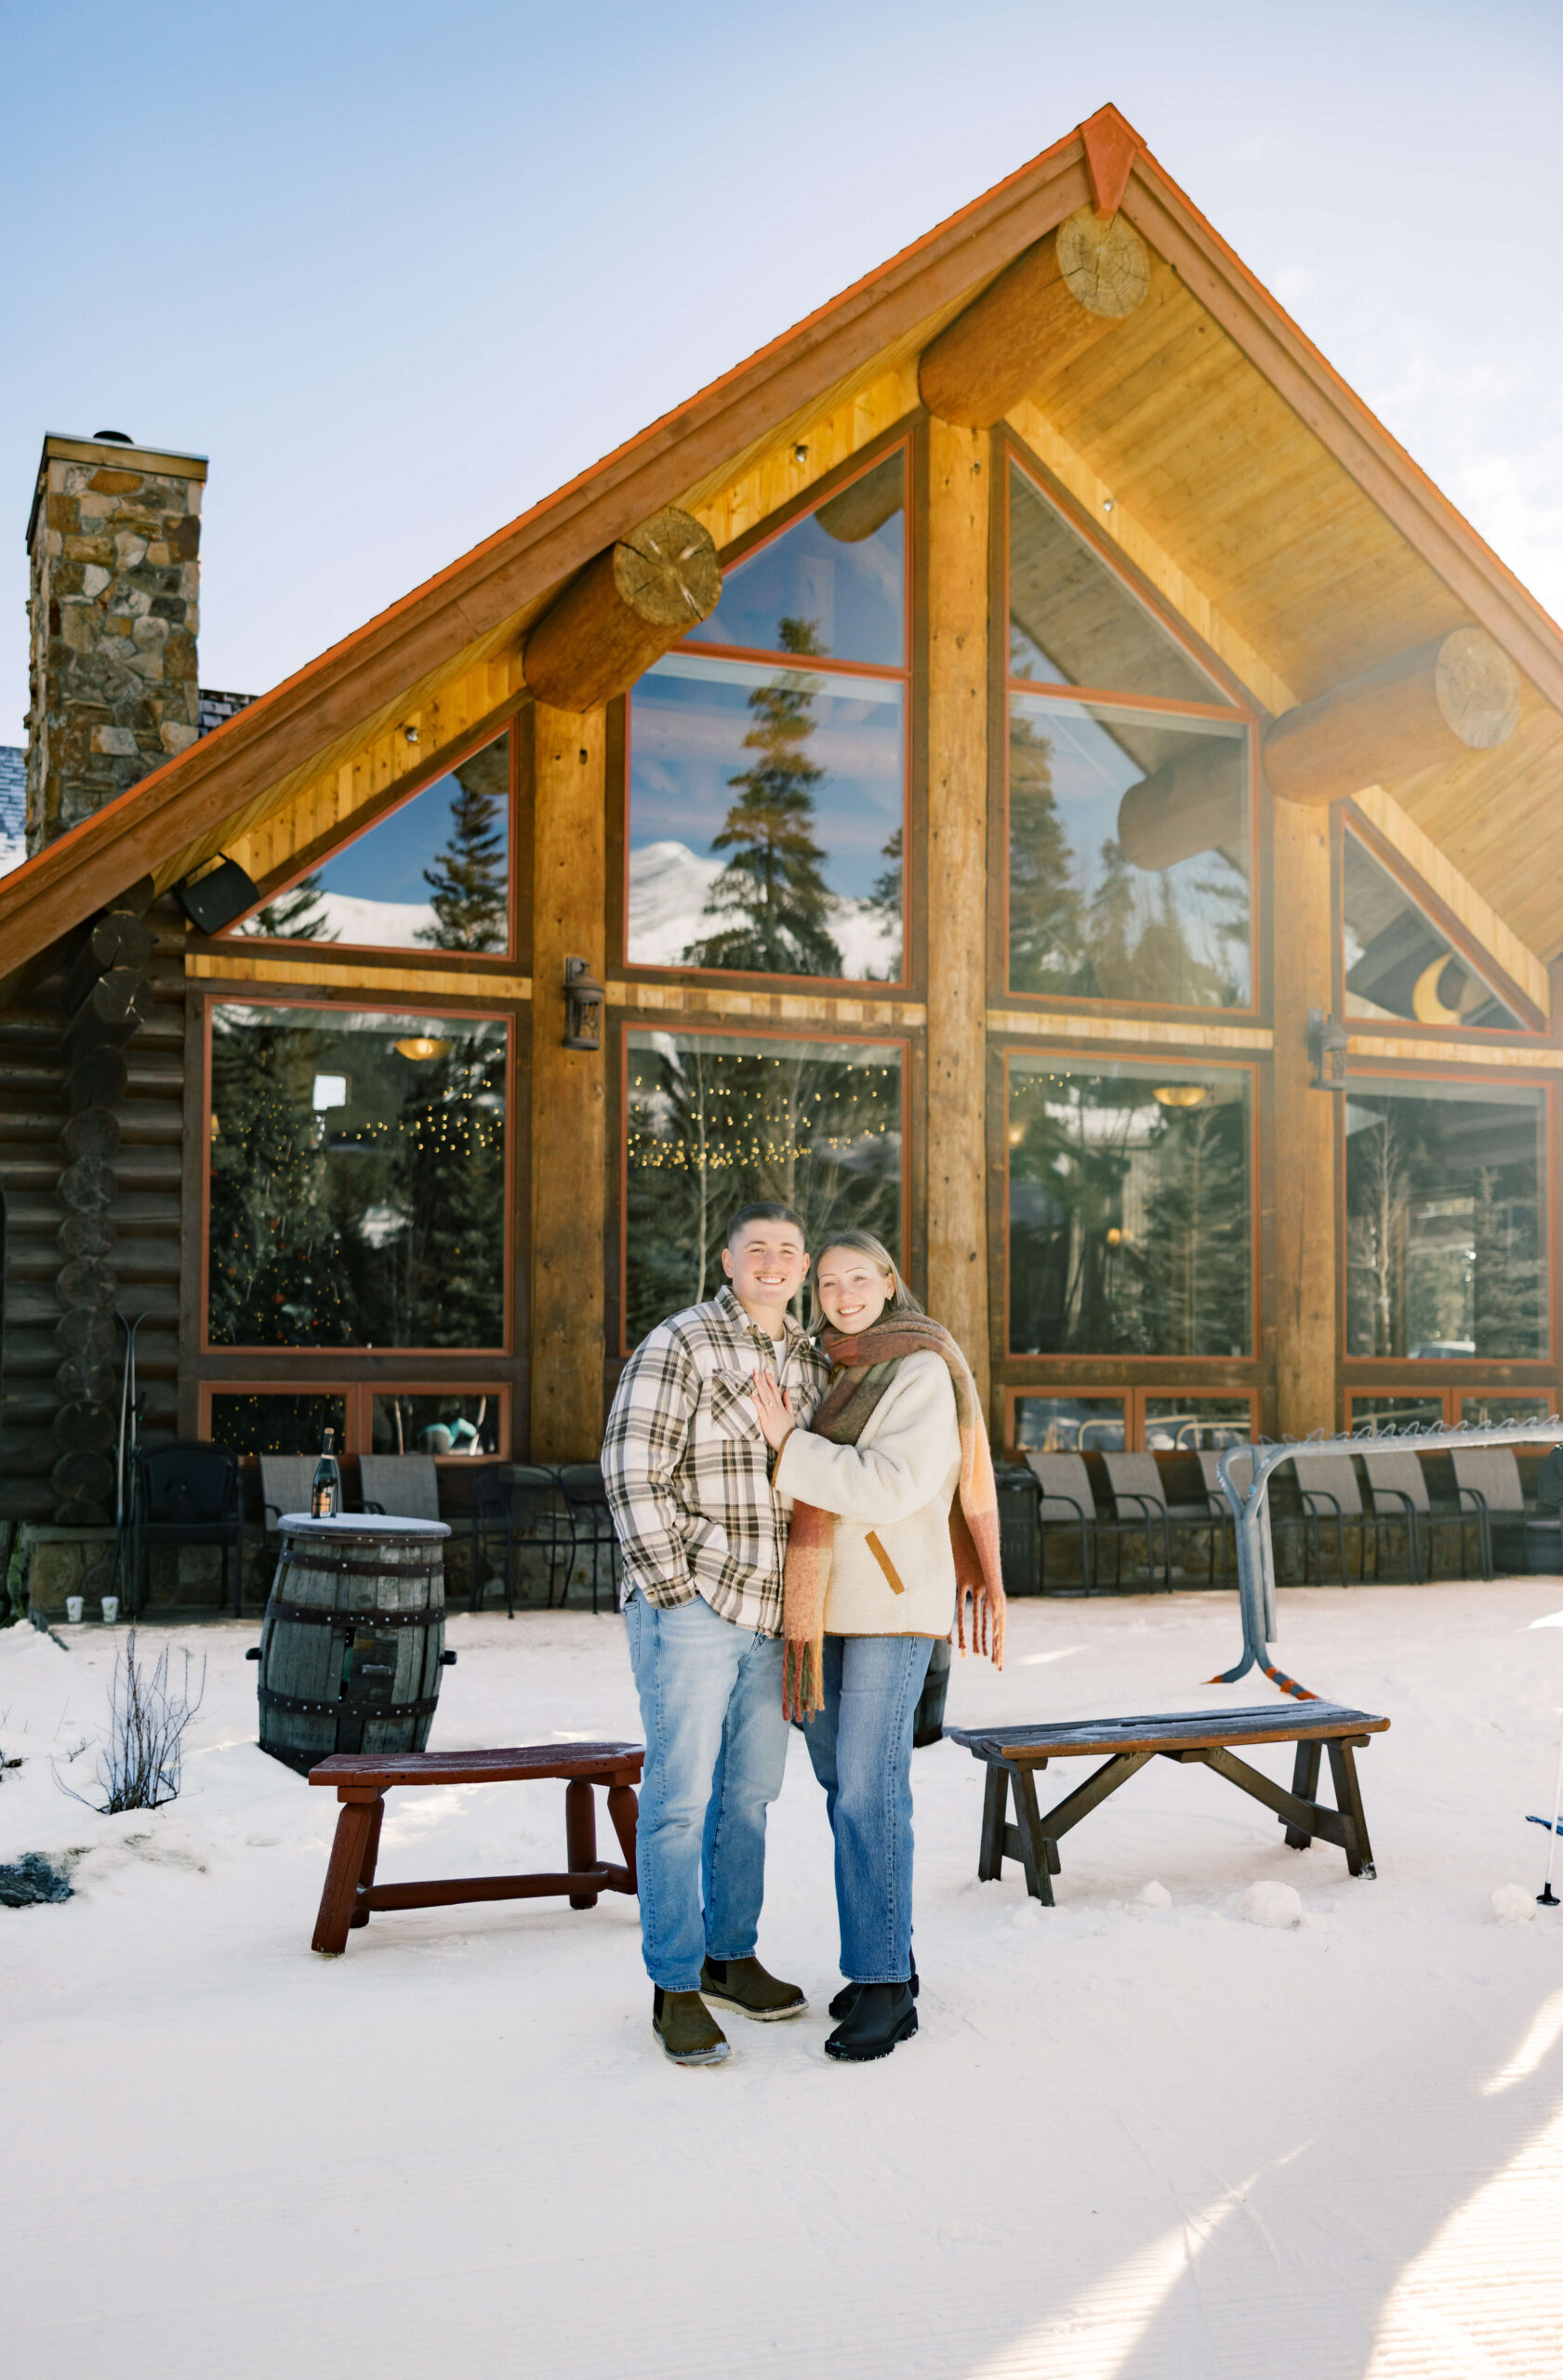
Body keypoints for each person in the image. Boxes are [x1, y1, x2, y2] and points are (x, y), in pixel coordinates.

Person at [749, 1231, 1006, 2063]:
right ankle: (884, 1955)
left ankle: (885, 1987)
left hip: (893, 1606)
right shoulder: (833, 1366)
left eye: (859, 1277)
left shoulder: (920, 1368)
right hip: (824, 1611)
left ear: (890, 1283)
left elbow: (892, 1487)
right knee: (842, 1788)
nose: (843, 1292)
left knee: (868, 1789)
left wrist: (791, 1447)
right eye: (828, 1282)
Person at [601, 1202, 832, 2067]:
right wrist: (674, 1591)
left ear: (802, 1267)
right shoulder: (683, 1341)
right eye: (756, 1250)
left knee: (750, 1797)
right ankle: (672, 1984)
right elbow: (629, 1466)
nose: (772, 1264)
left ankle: (729, 1955)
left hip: (773, 1614)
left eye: (787, 1251)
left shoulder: (810, 1361)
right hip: (696, 1604)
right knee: (679, 1799)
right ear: (727, 1260)